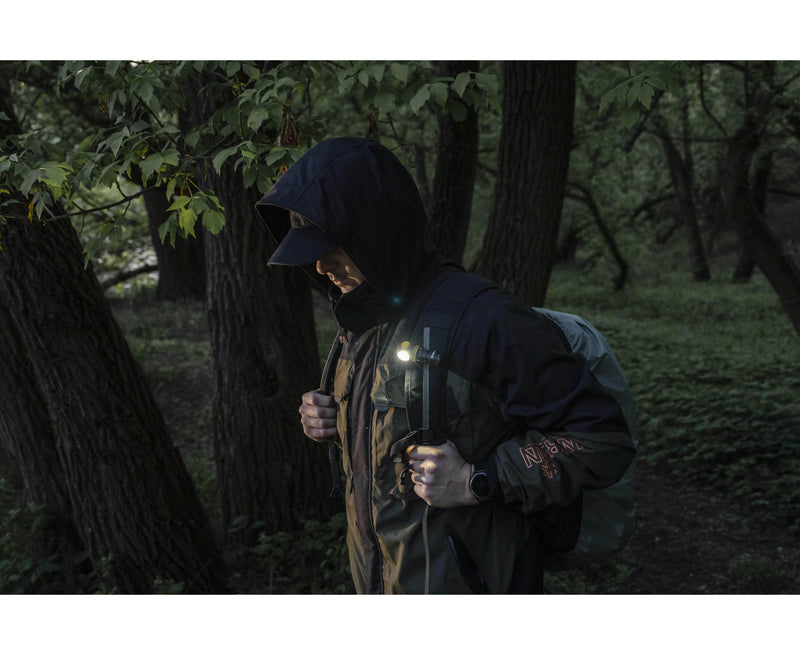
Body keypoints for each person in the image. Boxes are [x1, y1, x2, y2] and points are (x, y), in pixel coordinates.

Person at [256, 136, 635, 594]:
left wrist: (477, 479)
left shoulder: (485, 321)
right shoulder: (362, 321)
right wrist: (333, 420)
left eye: (331, 246)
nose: (320, 267)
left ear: (374, 230)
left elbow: (601, 440)